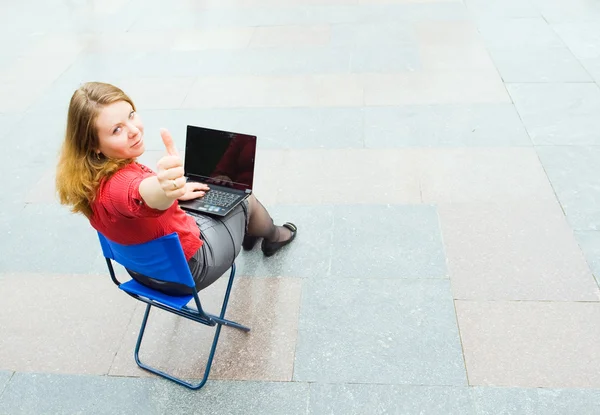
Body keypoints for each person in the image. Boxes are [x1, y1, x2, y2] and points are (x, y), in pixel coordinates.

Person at [56, 82, 297, 295]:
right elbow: (137, 194)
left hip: (141, 272)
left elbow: (134, 202)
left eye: (131, 115)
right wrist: (164, 188)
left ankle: (249, 231)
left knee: (205, 192)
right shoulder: (122, 186)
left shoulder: (86, 177)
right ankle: (273, 236)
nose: (133, 130)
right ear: (94, 145)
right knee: (243, 196)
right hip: (190, 271)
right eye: (116, 129)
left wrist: (174, 193)